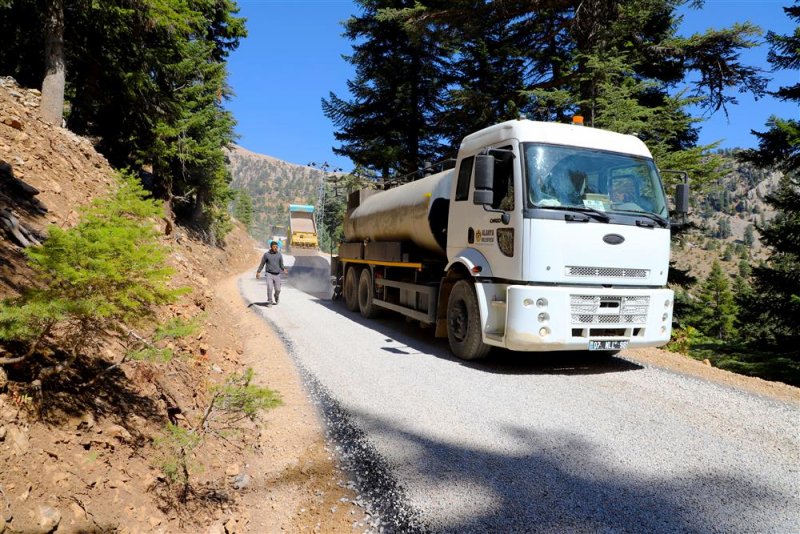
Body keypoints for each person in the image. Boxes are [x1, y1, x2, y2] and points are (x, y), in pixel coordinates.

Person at [256, 241, 287, 306]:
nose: (276, 248)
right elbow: (262, 264)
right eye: (274, 247)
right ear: (271, 247)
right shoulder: (266, 255)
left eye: (276, 247)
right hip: (269, 274)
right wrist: (258, 272)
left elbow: (281, 265)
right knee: (270, 288)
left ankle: (276, 296)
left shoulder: (279, 255)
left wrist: (283, 269)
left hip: (277, 275)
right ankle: (270, 301)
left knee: (278, 289)